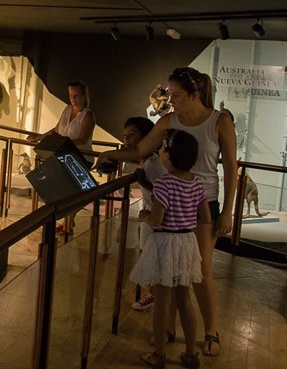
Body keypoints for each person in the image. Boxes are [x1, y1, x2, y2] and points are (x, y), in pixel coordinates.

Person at [97, 66, 237, 357]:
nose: (171, 101)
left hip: (203, 203)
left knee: (200, 271)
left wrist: (227, 212)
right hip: (172, 199)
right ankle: (169, 328)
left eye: (176, 95)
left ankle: (210, 331)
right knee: (172, 271)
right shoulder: (169, 120)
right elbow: (140, 151)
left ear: (195, 94)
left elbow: (231, 168)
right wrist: (110, 153)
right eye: (170, 95)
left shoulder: (219, 121)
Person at [130, 129, 210, 369]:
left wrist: (144, 215)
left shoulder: (165, 183)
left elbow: (156, 220)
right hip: (187, 243)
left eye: (163, 148)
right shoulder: (197, 183)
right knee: (185, 299)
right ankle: (189, 354)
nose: (160, 151)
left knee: (162, 301)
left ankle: (160, 354)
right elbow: (204, 216)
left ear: (170, 155)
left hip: (165, 244)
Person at [26, 80, 96, 234]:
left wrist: (64, 143)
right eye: (71, 95)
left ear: (84, 96)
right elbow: (56, 130)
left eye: (76, 95)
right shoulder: (66, 110)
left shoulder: (88, 116)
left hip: (81, 157)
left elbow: (83, 139)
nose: (73, 99)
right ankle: (68, 223)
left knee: (74, 192)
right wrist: (39, 138)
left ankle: (68, 223)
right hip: (64, 155)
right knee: (64, 191)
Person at [122, 117, 168, 311]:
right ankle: (153, 293)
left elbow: (164, 194)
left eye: (131, 135)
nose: (126, 141)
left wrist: (149, 216)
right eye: (125, 136)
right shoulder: (148, 164)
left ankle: (157, 296)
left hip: (154, 220)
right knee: (148, 256)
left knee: (153, 258)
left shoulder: (153, 165)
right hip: (149, 219)